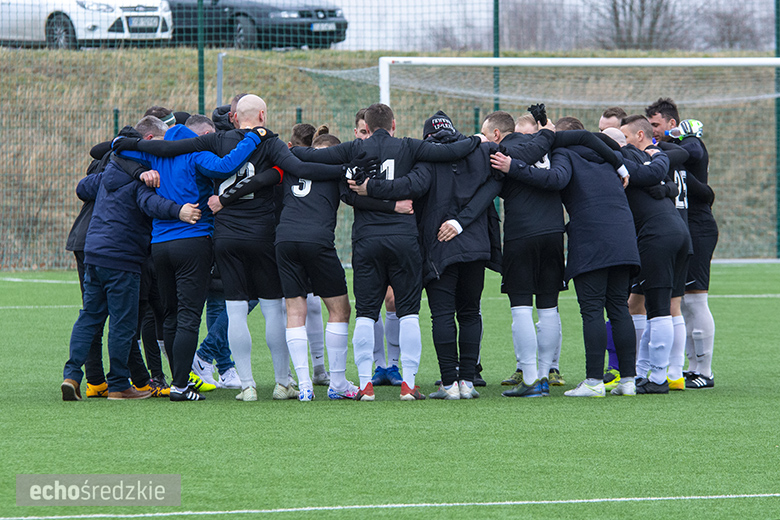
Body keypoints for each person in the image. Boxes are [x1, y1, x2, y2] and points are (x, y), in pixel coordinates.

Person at [292, 103, 483, 400]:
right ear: (394, 124)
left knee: (366, 313)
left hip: (368, 241)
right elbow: (448, 154)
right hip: (404, 240)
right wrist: (476, 140)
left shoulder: (355, 149)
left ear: (366, 125)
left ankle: (366, 385)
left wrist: (278, 148)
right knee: (408, 313)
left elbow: (309, 158)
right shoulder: (409, 147)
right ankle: (408, 384)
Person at [113, 113, 276, 401]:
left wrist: (121, 144)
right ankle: (180, 385)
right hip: (193, 240)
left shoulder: (154, 158)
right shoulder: (195, 156)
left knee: (172, 315)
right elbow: (227, 166)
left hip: (160, 246)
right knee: (190, 316)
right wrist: (254, 137)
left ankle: (178, 381)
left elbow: (119, 149)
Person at [350, 111, 502, 399]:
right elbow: (497, 182)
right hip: (475, 244)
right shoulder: (481, 151)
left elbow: (413, 188)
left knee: (441, 313)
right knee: (470, 312)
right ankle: (468, 381)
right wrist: (464, 220)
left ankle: (449, 383)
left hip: (436, 244)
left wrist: (370, 188)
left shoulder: (426, 157)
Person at [492, 116, 639, 397]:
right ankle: (629, 380)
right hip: (625, 235)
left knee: (593, 309)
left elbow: (554, 179)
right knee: (619, 307)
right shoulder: (606, 157)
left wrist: (514, 167)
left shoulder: (563, 153)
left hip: (593, 239)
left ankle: (594, 381)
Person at [62, 116, 201, 401]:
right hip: (123, 257)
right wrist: (179, 211)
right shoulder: (144, 173)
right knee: (124, 324)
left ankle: (72, 375)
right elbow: (150, 203)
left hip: (94, 253)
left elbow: (82, 188)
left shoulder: (112, 169)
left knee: (89, 317)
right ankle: (117, 385)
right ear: (149, 142)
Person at [479, 110, 564, 397]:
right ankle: (544, 374)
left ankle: (528, 378)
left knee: (521, 307)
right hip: (554, 232)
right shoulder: (548, 148)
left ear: (498, 134)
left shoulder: (503, 151)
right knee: (549, 307)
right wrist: (549, 133)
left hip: (522, 235)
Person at [646, 98, 717, 389]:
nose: (653, 131)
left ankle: (706, 371)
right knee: (684, 302)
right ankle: (692, 366)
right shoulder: (666, 152)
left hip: (699, 228)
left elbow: (692, 151)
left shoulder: (689, 145)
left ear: (672, 124)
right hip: (682, 229)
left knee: (695, 299)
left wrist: (654, 148)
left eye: (655, 125)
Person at [618, 115, 692, 394]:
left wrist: (657, 161)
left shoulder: (628, 161)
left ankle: (660, 378)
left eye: (624, 139)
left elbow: (676, 156)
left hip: (658, 237)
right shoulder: (647, 158)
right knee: (663, 308)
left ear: (638, 136)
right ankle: (648, 372)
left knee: (659, 309)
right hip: (678, 232)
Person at [354, 108, 403, 388]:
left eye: (366, 131)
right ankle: (378, 365)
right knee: (371, 304)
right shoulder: (356, 158)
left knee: (395, 301)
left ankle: (393, 366)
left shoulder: (402, 152)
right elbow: (351, 196)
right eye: (360, 132)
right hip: (368, 237)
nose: (365, 136)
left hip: (398, 236)